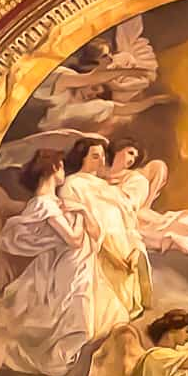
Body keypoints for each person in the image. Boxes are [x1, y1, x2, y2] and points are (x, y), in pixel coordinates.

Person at [0, 150, 103, 376]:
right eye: (61, 167)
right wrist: (80, 213)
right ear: (54, 167)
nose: (64, 172)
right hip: (62, 274)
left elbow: (95, 234)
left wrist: (82, 214)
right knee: (69, 328)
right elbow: (75, 240)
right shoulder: (45, 205)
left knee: (77, 330)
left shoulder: (57, 203)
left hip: (76, 271)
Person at [58, 135, 147, 326]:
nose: (102, 161)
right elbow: (78, 223)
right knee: (105, 312)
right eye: (95, 156)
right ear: (82, 157)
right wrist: (109, 252)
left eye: (102, 156)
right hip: (98, 250)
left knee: (126, 303)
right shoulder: (72, 184)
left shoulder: (108, 187)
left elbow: (127, 218)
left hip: (122, 245)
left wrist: (135, 248)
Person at [105, 136, 188, 255]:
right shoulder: (100, 172)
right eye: (130, 153)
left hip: (123, 215)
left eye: (135, 157)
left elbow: (130, 203)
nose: (132, 159)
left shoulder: (136, 179)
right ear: (118, 149)